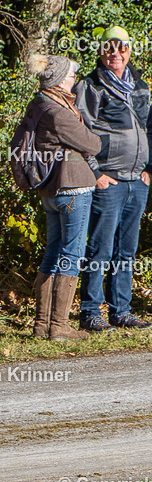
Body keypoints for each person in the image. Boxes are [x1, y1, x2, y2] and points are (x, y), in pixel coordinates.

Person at [74, 26, 152, 331]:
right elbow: (82, 132)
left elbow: (151, 128)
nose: (115, 54)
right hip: (110, 181)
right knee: (100, 249)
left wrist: (150, 171)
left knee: (127, 250)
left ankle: (121, 311)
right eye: (109, 49)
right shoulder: (91, 86)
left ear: (129, 51)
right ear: (101, 51)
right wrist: (96, 173)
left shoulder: (141, 87)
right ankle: (91, 312)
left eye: (121, 49)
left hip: (138, 181)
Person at [24, 54, 102, 341]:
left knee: (53, 252)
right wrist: (86, 144)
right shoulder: (58, 113)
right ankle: (59, 325)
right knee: (71, 254)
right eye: (71, 76)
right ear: (57, 81)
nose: (74, 80)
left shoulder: (38, 105)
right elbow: (93, 143)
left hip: (51, 191)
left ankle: (41, 323)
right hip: (73, 188)